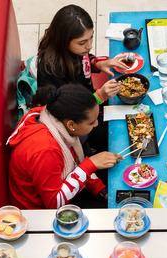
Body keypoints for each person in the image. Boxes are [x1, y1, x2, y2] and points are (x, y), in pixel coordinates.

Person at [6, 83, 122, 209]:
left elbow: (75, 163)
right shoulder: (46, 150)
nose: (96, 124)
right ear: (71, 125)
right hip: (38, 212)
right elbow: (53, 203)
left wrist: (102, 192)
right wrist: (90, 165)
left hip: (60, 187)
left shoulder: (51, 114)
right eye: (91, 122)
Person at [32, 4, 127, 154]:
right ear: (63, 41)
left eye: (91, 37)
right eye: (82, 42)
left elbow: (84, 59)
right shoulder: (52, 70)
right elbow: (67, 113)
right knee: (121, 135)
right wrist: (99, 96)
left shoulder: (71, 51)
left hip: (91, 100)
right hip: (78, 121)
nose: (89, 46)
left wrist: (98, 63)